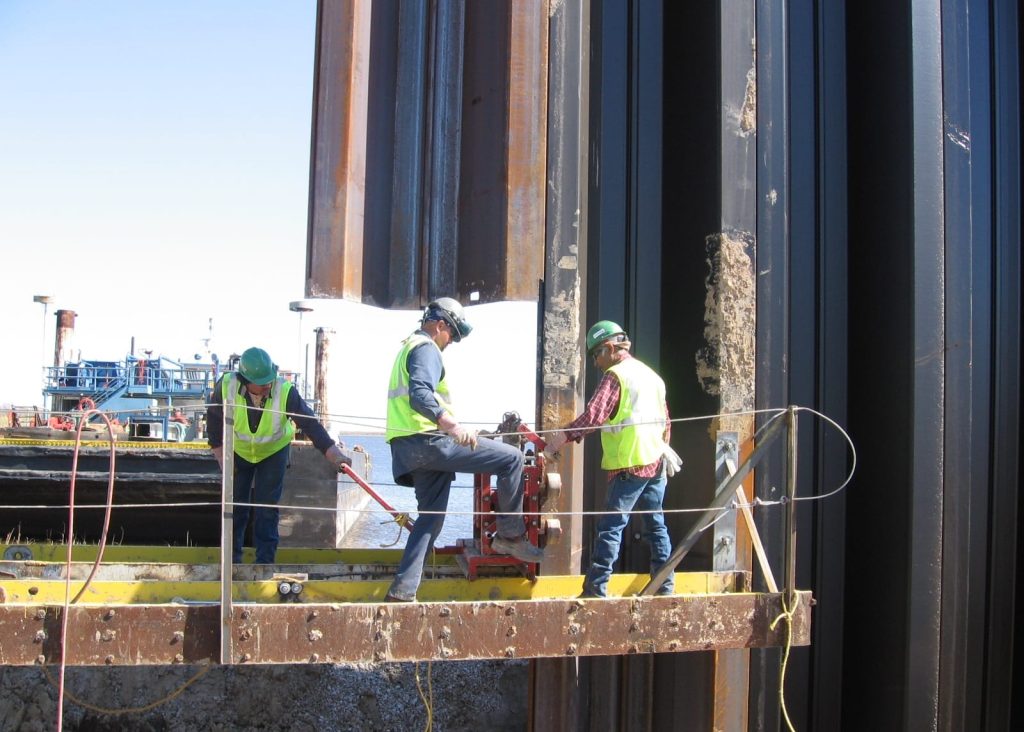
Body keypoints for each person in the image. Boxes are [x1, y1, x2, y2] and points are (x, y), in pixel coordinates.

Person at [384, 297, 545, 602]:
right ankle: (510, 537)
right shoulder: (425, 348)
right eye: (453, 334)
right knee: (511, 459)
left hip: (407, 450)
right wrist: (453, 427)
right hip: (430, 443)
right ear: (440, 324)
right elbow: (420, 395)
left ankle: (401, 593)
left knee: (430, 520)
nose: (451, 342)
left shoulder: (406, 347)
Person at [545, 320, 677, 598]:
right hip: (656, 461)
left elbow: (594, 415)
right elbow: (667, 420)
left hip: (630, 463)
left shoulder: (616, 375)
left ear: (609, 348)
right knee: (656, 525)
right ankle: (665, 587)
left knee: (610, 529)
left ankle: (595, 590)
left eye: (596, 354)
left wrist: (561, 438)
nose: (595, 362)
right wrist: (662, 450)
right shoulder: (652, 376)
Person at [207, 346, 351, 564]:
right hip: (238, 452)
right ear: (246, 379)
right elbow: (214, 423)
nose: (267, 385)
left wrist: (333, 453)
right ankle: (231, 562)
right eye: (262, 382)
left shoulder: (285, 391)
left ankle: (265, 563)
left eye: (269, 379)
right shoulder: (226, 386)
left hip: (273, 453)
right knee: (234, 507)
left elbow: (310, 424)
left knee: (267, 508)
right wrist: (222, 459)